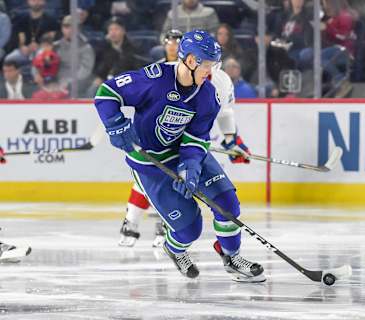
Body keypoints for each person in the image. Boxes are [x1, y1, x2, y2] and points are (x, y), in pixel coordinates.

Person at [94, 30, 264, 282]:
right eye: (207, 65)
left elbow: (196, 138)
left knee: (227, 203)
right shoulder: (154, 78)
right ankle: (174, 249)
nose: (211, 72)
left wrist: (191, 165)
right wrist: (115, 124)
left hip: (185, 153)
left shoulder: (208, 94)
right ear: (191, 61)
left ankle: (232, 257)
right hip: (152, 164)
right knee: (189, 229)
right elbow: (106, 93)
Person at [118, 30, 251, 248]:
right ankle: (133, 222)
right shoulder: (164, 71)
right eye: (170, 42)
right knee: (153, 180)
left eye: (212, 65)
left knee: (189, 181)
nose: (208, 71)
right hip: (162, 140)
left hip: (190, 141)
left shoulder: (220, 80)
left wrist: (231, 140)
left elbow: (225, 113)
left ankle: (167, 224)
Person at [54, 15, 95, 97]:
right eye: (66, 27)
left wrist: (69, 83)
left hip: (78, 84)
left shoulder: (86, 47)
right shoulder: (55, 46)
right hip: (57, 82)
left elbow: (85, 70)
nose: (69, 30)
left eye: (72, 27)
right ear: (62, 28)